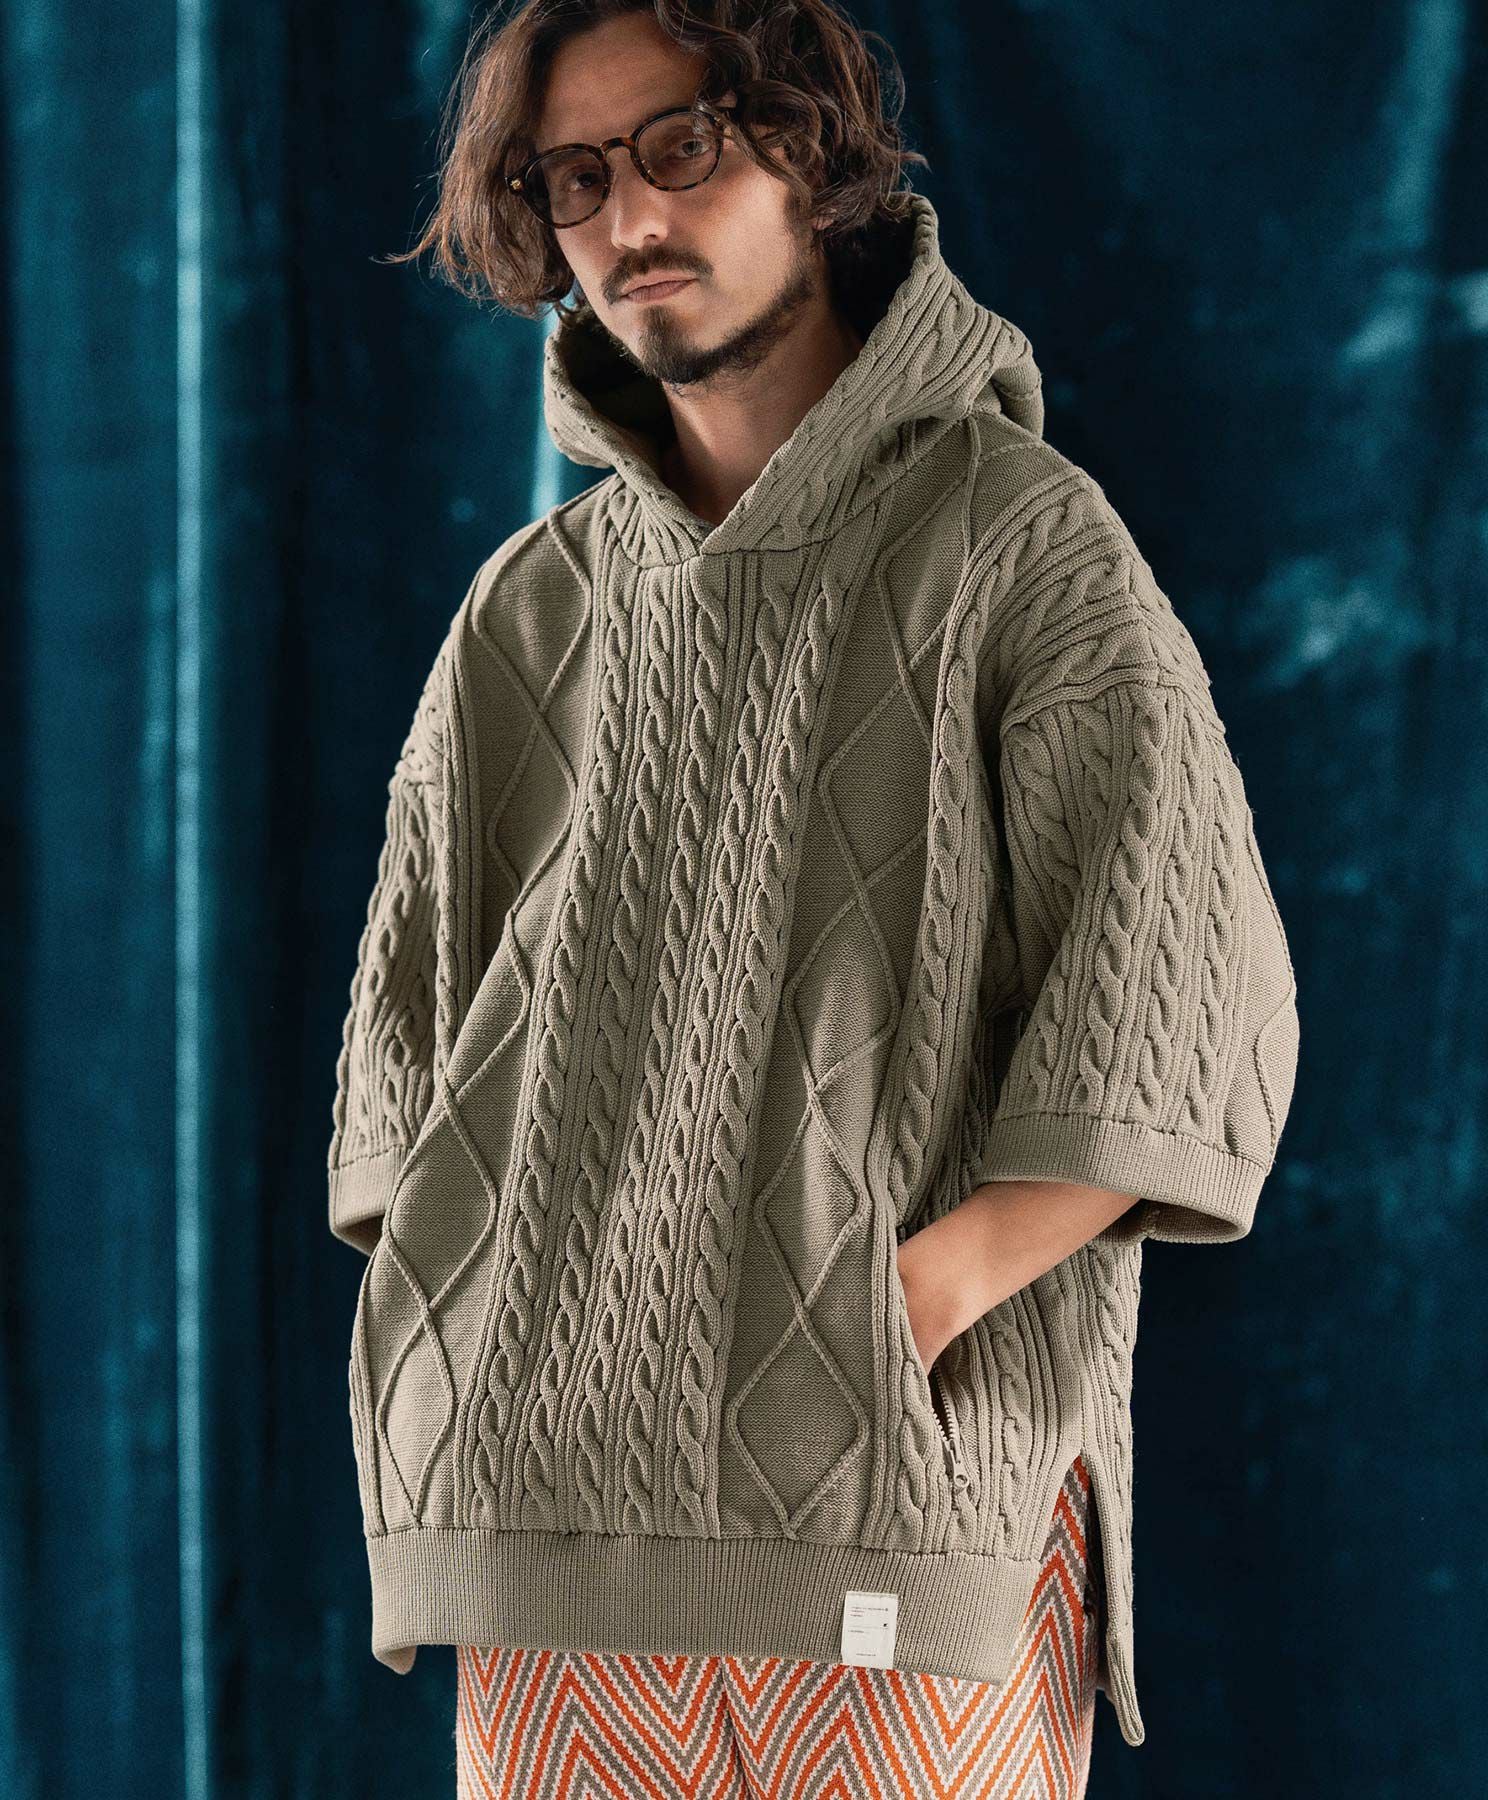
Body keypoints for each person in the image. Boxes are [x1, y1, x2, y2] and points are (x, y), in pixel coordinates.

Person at [331, 4, 1301, 1794]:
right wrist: (485, 1346)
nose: (630, 218)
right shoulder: (529, 610)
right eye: (573, 179)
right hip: (555, 1556)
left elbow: (1185, 986)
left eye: (680, 144)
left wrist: (910, 1298)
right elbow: (406, 1049)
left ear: (807, 142)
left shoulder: (1019, 540)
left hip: (908, 1531)